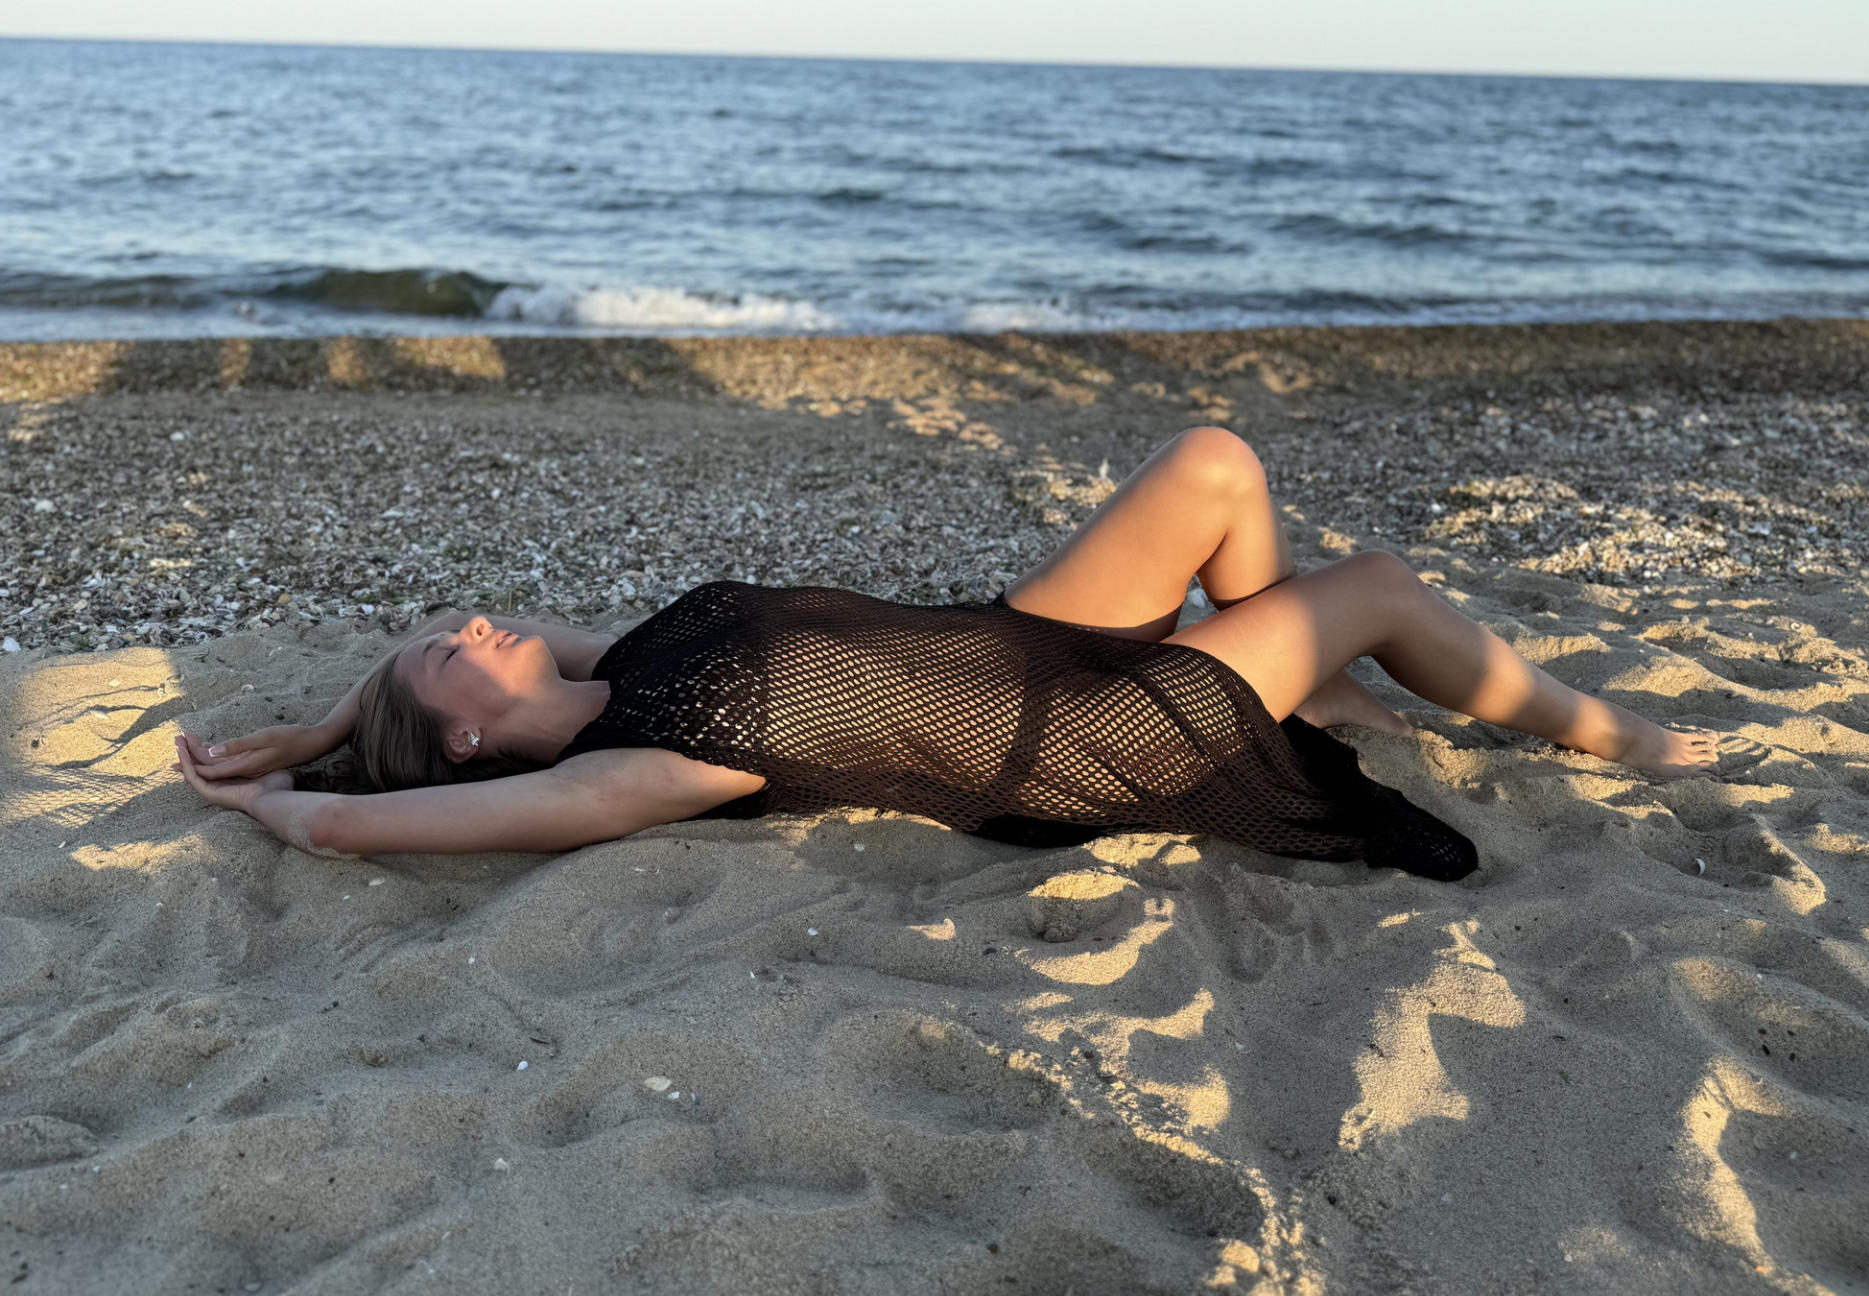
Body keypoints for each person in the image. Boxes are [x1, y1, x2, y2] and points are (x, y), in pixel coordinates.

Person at [171, 426, 1722, 879]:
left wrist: (320, 724)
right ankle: (1617, 736)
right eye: (448, 654)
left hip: (1024, 637)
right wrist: (285, 800)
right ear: (463, 739)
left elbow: (403, 707)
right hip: (1084, 733)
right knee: (1374, 581)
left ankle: (1306, 679)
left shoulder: (619, 659)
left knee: (1216, 465)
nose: (473, 623)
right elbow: (356, 828)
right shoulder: (638, 765)